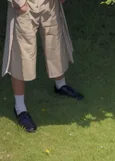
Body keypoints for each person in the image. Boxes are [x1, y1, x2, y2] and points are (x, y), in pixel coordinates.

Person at [2, 0, 84, 133]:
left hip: (50, 4)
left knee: (55, 45)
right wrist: (19, 3)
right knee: (21, 53)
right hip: (25, 5)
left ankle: (60, 85)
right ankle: (20, 108)